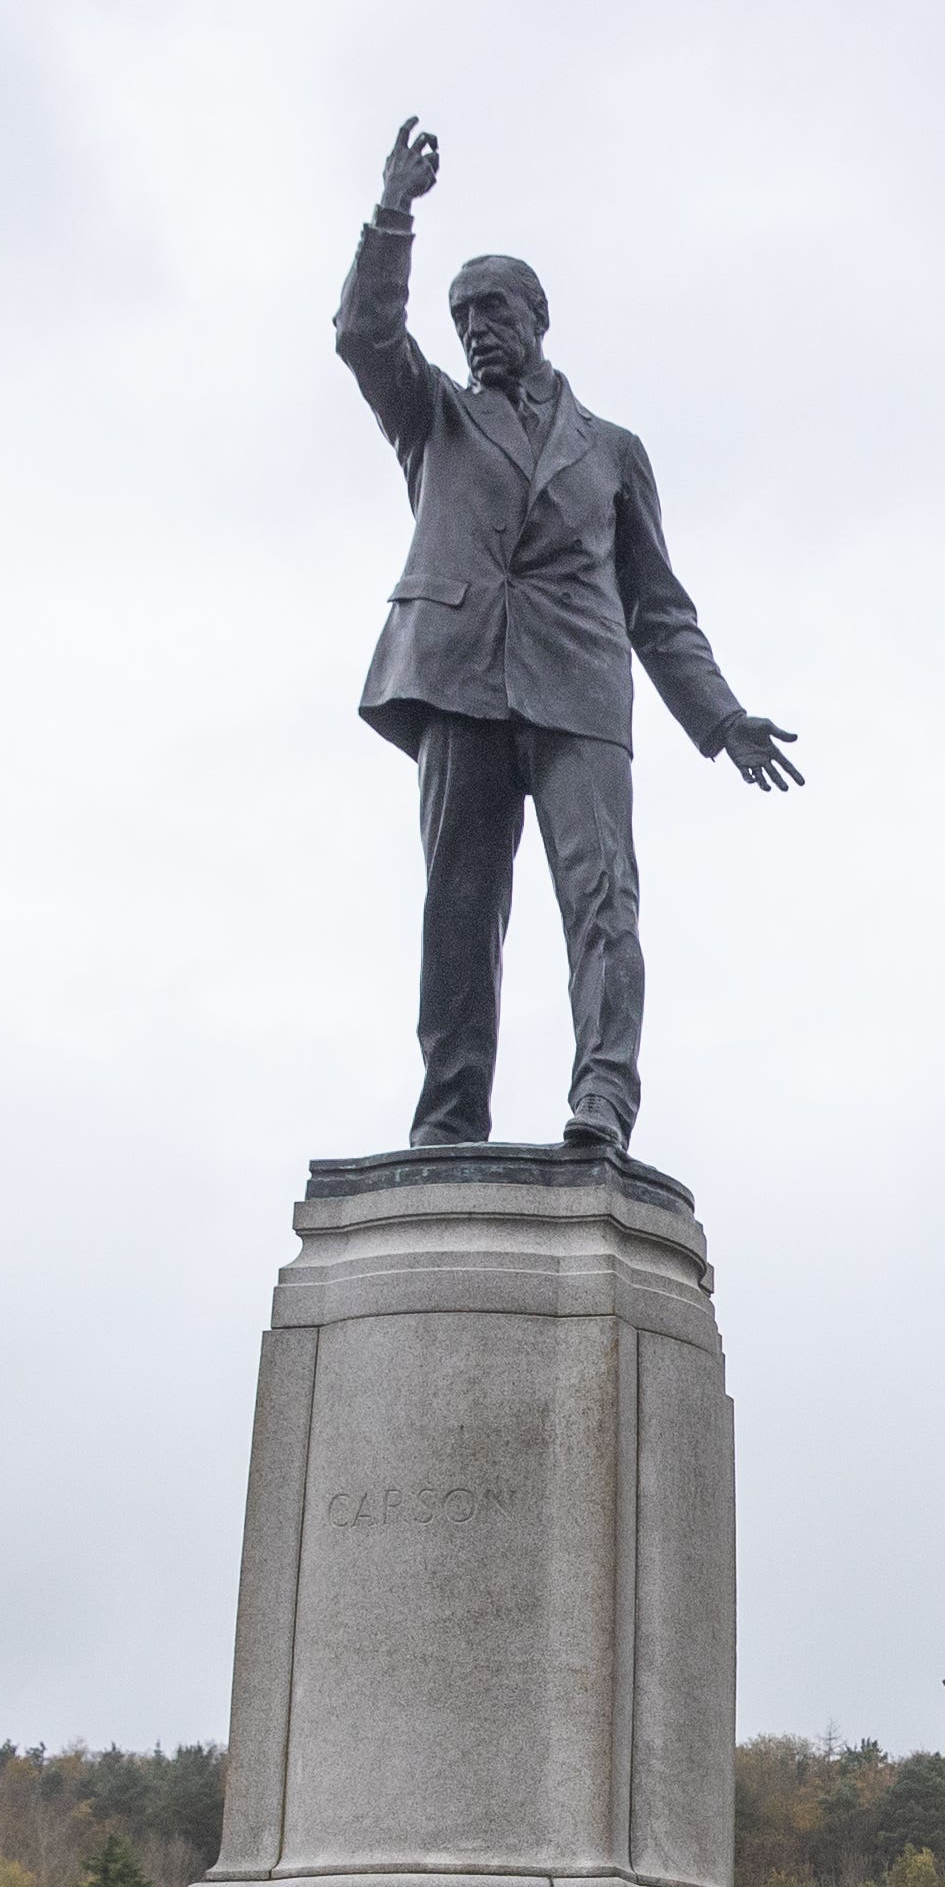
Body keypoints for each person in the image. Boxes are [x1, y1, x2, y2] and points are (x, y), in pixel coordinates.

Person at [333, 118, 802, 1152]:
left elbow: (658, 605)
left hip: (581, 689)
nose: (475, 330)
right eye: (460, 316)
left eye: (493, 309)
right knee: (458, 912)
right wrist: (393, 215)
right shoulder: (436, 420)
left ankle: (603, 1100)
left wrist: (721, 719)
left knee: (604, 901)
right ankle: (450, 1116)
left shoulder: (615, 451)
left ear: (541, 317)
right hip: (458, 678)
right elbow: (365, 339)